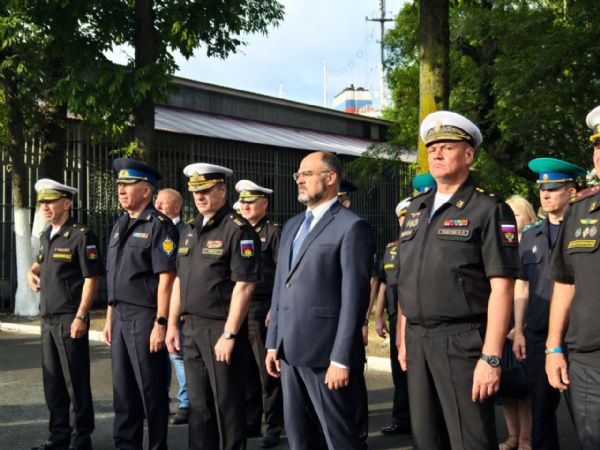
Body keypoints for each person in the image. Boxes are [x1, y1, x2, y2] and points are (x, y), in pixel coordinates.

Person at [396, 111, 520, 450]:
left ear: (468, 155)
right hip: (417, 340)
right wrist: (403, 338)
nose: (436, 153)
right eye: (432, 148)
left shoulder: (488, 209)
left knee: (470, 440)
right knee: (426, 438)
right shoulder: (416, 209)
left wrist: (491, 357)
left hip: (462, 340)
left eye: (447, 147)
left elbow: (502, 288)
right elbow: (407, 278)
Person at [265, 151, 375, 450]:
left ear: (330, 178)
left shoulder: (352, 226)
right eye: (298, 174)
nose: (299, 179)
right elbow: (281, 287)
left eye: (307, 174)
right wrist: (273, 342)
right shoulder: (292, 226)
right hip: (289, 351)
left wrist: (341, 358)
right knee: (300, 438)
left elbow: (354, 298)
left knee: (339, 438)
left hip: (326, 356)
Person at [165, 163, 261, 450]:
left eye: (206, 190)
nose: (200, 196)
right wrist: (172, 324)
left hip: (221, 328)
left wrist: (229, 334)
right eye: (195, 191)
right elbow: (180, 280)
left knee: (226, 404)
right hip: (191, 327)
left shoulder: (237, 230)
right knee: (198, 406)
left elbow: (245, 285)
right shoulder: (190, 229)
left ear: (222, 190)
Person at [103, 158, 178, 450]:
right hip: (120, 315)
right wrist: (109, 318)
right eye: (119, 185)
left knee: (150, 390)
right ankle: (126, 444)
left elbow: (167, 279)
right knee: (123, 390)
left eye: (128, 185)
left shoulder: (159, 226)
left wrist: (161, 323)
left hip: (145, 317)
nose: (121, 190)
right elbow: (114, 276)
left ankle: (155, 445)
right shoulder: (120, 224)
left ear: (146, 190)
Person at [512, 159, 585, 450]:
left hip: (577, 336)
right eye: (542, 189)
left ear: (571, 191)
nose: (545, 194)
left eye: (553, 188)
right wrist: (519, 329)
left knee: (585, 414)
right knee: (541, 411)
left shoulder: (584, 231)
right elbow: (522, 284)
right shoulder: (531, 235)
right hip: (538, 335)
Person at [27, 179, 102, 450]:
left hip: (70, 318)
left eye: (51, 202)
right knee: (53, 382)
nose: (45, 207)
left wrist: (81, 316)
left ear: (67, 203)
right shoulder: (48, 235)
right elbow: (40, 263)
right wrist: (31, 272)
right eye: (42, 203)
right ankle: (58, 436)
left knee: (75, 381)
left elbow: (92, 278)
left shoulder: (81, 236)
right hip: (47, 319)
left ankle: (81, 437)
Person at [546, 106, 600, 450]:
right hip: (588, 362)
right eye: (597, 146)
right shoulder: (580, 211)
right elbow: (564, 283)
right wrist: (554, 347)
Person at [235, 179, 284, 448]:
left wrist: (276, 309)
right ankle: (251, 420)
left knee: (267, 372)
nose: (245, 206)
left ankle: (272, 425)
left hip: (263, 307)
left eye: (250, 202)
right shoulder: (239, 231)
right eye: (242, 202)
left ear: (264, 203)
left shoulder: (273, 232)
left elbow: (283, 274)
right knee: (245, 370)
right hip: (241, 308)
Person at [498, 194, 537, 450]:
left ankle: (525, 438)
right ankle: (512, 436)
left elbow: (534, 289)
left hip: (524, 322)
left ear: (528, 217)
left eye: (516, 214)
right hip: (502, 321)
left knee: (523, 388)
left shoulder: (533, 244)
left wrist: (520, 326)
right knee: (506, 387)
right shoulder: (500, 245)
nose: (511, 219)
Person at [374, 197, 412, 436]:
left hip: (416, 318)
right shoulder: (391, 248)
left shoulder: (420, 245)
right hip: (395, 318)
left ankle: (423, 421)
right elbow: (383, 284)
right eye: (402, 216)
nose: (405, 220)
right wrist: (377, 316)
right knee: (399, 372)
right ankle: (401, 419)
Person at [155, 188, 190, 425]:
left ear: (176, 207)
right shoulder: (153, 228)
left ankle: (186, 403)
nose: (157, 207)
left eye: (162, 203)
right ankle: (161, 399)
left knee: (177, 355)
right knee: (158, 354)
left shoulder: (186, 232)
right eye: (156, 202)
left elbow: (183, 273)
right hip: (156, 305)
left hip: (177, 305)